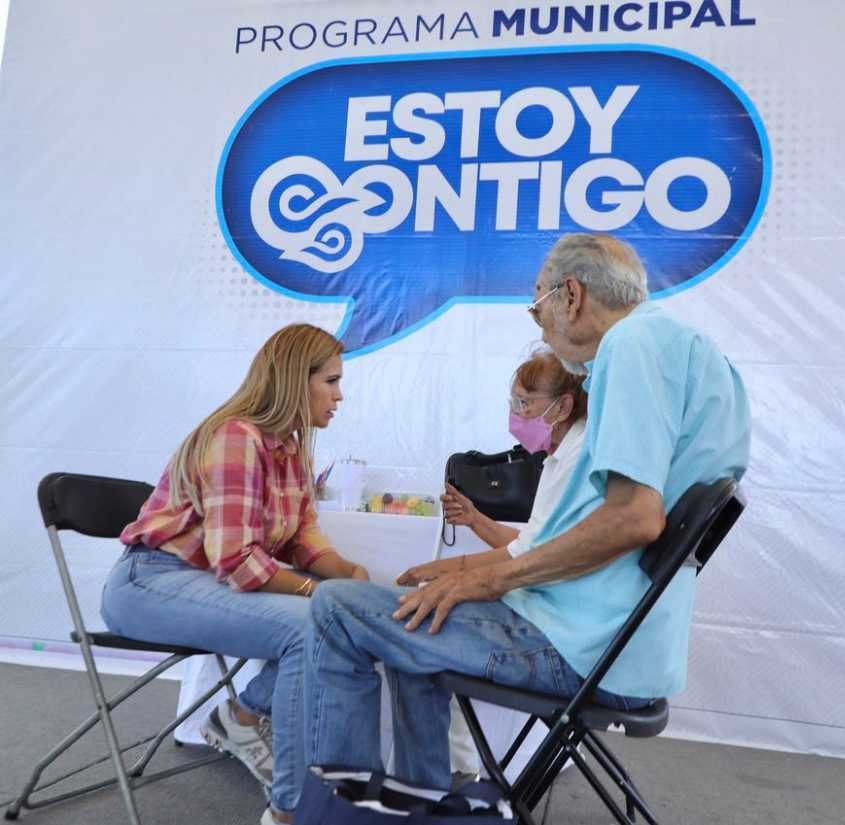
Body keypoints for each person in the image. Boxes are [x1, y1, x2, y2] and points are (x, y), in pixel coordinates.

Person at [301, 233, 751, 792]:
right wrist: (476, 576)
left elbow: (634, 519)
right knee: (411, 617)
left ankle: (328, 802)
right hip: (621, 642)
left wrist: (487, 580)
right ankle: (420, 797)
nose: (539, 325)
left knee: (338, 604)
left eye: (537, 306)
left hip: (580, 643)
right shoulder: (690, 351)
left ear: (571, 295)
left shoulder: (632, 345)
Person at [101, 323, 368, 825]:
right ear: (295, 380)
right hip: (148, 582)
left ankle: (243, 718)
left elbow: (303, 541)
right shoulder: (236, 438)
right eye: (330, 381)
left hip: (195, 582)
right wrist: (323, 592)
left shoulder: (290, 451)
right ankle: (290, 812)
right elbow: (238, 561)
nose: (340, 395)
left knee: (340, 617)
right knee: (311, 624)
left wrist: (351, 576)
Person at [398, 349, 588, 585]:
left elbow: (530, 554)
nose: (516, 413)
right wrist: (475, 519)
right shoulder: (555, 458)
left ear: (563, 407)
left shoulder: (579, 457)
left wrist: (445, 569)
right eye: (514, 402)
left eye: (524, 402)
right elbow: (532, 544)